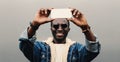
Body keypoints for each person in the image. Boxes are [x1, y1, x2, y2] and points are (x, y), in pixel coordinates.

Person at [19, 8, 101, 62]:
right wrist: (34, 25)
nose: (60, 28)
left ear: (68, 29)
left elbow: (93, 50)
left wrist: (85, 28)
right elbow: (25, 45)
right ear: (51, 29)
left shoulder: (77, 49)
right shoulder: (40, 48)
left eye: (64, 25)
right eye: (55, 26)